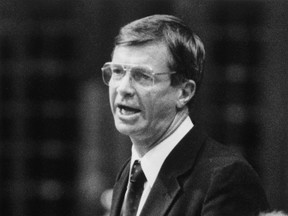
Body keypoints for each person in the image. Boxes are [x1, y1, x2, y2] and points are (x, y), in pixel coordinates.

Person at [101, 14, 270, 216]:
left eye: (142, 76)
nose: (123, 88)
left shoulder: (226, 179)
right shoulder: (130, 173)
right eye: (118, 72)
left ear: (184, 92)